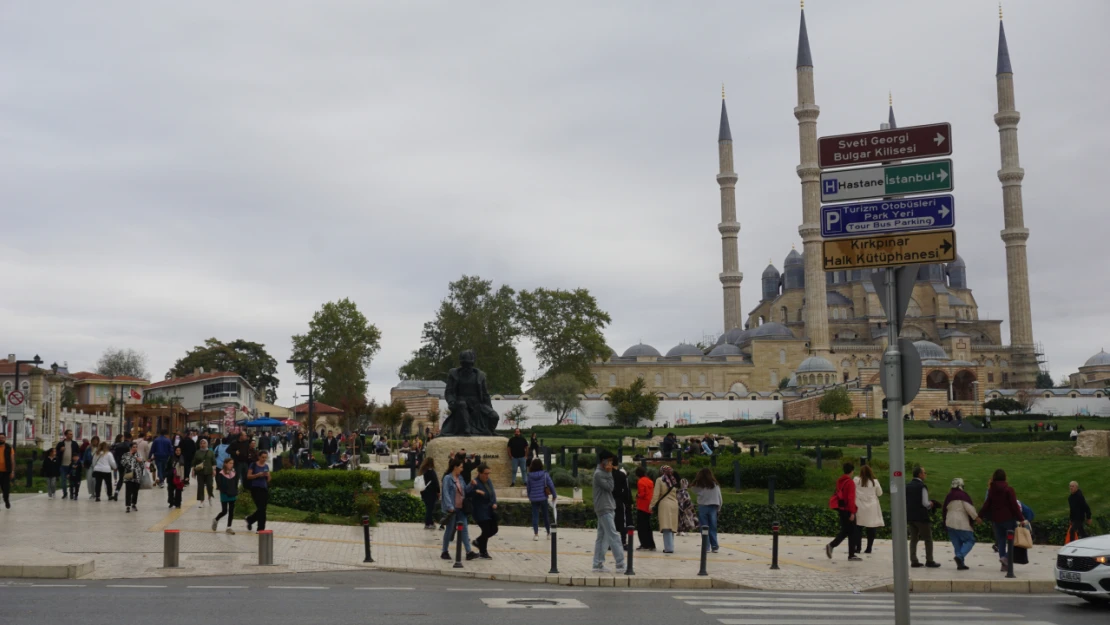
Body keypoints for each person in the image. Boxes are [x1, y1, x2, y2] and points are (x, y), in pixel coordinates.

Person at [980, 468, 1024, 571]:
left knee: (1001, 542)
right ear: (1005, 477)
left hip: (996, 520)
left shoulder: (991, 491)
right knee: (1013, 541)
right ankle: (1006, 558)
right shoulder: (1009, 490)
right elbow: (1014, 506)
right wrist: (1021, 518)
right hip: (1009, 520)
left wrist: (980, 515)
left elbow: (987, 504)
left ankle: (1003, 564)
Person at [591, 450, 625, 573]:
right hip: (604, 508)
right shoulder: (599, 474)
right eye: (609, 461)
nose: (611, 463)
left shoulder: (602, 472)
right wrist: (610, 473)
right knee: (613, 535)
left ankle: (597, 564)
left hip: (607, 506)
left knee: (602, 537)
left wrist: (609, 473)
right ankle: (620, 564)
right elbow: (610, 487)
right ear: (603, 461)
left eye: (611, 461)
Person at [440, 457, 479, 561]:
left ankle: (468, 552)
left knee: (464, 530)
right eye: (461, 467)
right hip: (452, 509)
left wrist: (471, 484)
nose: (462, 469)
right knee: (449, 530)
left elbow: (464, 491)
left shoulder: (460, 478)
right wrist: (450, 507)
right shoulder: (447, 478)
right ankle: (444, 551)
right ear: (455, 467)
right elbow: (446, 493)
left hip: (461, 508)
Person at [943, 477, 980, 570]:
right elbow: (969, 509)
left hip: (950, 523)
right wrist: (976, 518)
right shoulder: (963, 495)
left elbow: (944, 510)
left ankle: (961, 564)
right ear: (961, 485)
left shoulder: (949, 496)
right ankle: (960, 557)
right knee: (970, 540)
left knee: (957, 544)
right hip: (961, 523)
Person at [825, 463, 861, 561]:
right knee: (852, 531)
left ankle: (846, 551)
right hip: (848, 509)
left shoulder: (840, 481)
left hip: (841, 509)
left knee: (847, 530)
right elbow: (850, 498)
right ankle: (847, 553)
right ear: (852, 471)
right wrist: (852, 512)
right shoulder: (850, 482)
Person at [906, 465, 939, 568]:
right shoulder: (922, 487)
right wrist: (932, 504)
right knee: (928, 539)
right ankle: (929, 560)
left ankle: (913, 560)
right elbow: (925, 503)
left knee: (913, 539)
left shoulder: (907, 486)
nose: (925, 474)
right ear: (920, 474)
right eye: (924, 472)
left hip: (910, 516)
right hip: (921, 516)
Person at [468, 463, 498, 559]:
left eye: (488, 473)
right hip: (479, 511)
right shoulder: (475, 482)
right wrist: (475, 491)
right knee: (486, 530)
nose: (487, 476)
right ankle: (483, 552)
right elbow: (467, 493)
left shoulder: (488, 481)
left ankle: (478, 541)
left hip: (489, 510)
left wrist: (494, 503)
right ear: (480, 473)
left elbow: (492, 493)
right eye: (485, 473)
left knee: (494, 529)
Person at [852, 464, 884, 555]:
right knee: (871, 527)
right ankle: (869, 548)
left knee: (858, 527)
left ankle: (858, 547)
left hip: (860, 506)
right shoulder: (875, 482)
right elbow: (880, 493)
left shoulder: (856, 480)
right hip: (872, 507)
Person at [690, 468, 721, 553]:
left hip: (703, 507)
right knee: (713, 527)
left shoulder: (699, 486)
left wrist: (697, 479)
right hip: (713, 507)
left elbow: (692, 488)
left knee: (704, 527)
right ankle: (714, 546)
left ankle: (706, 546)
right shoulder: (715, 485)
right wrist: (719, 508)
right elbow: (719, 497)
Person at [650, 465, 680, 554]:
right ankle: (670, 546)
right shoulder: (674, 480)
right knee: (671, 527)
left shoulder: (660, 480)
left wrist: (652, 505)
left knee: (666, 526)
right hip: (674, 504)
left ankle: (668, 548)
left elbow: (656, 494)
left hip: (664, 504)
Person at [526, 458, 556, 540]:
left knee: (535, 516)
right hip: (543, 498)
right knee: (545, 516)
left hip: (534, 498)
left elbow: (528, 487)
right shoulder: (545, 474)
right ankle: (548, 533)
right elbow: (551, 485)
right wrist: (554, 495)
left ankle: (536, 534)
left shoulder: (530, 476)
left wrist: (529, 496)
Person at [245, 451, 271, 532]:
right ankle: (259, 528)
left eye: (265, 457)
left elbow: (269, 479)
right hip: (255, 488)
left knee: (262, 509)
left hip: (264, 488)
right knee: (261, 509)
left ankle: (251, 520)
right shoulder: (253, 465)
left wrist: (267, 476)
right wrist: (257, 475)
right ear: (259, 457)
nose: (264, 459)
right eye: (262, 457)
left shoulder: (266, 466)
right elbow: (248, 476)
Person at [212, 458, 238, 534]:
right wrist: (225, 490)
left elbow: (235, 483)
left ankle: (229, 527)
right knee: (224, 511)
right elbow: (219, 484)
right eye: (230, 463)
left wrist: (235, 491)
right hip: (225, 494)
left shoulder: (233, 473)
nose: (231, 465)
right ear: (225, 464)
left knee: (231, 511)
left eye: (232, 463)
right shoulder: (220, 473)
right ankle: (216, 519)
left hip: (232, 493)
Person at [634, 466, 656, 551]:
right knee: (648, 526)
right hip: (649, 506)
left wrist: (637, 495)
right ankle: (651, 544)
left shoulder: (640, 482)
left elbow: (642, 494)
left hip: (642, 506)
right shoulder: (650, 481)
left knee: (641, 527)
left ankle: (644, 544)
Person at [612, 459, 633, 549]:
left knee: (611, 523)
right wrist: (628, 502)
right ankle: (623, 542)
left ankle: (610, 543)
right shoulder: (622, 476)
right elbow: (626, 491)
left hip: (609, 501)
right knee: (622, 523)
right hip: (620, 502)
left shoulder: (606, 475)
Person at [120, 442, 145, 512]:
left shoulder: (139, 455)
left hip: (137, 475)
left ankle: (134, 504)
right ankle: (128, 505)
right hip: (129, 474)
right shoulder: (126, 455)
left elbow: (143, 465)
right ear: (130, 448)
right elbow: (123, 463)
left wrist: (141, 461)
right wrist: (131, 457)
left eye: (136, 447)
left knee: (135, 491)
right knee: (128, 491)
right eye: (133, 447)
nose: (135, 448)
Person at [192, 438, 216, 508]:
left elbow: (214, 462)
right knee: (200, 487)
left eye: (204, 443)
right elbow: (194, 462)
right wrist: (193, 470)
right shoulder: (197, 452)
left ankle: (210, 497)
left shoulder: (211, 452)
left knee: (209, 485)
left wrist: (214, 470)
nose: (202, 445)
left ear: (207, 444)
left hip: (209, 471)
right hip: (200, 472)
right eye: (201, 443)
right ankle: (201, 501)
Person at [418, 457, 440, 530]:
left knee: (428, 508)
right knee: (430, 509)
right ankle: (428, 523)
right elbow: (436, 483)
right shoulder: (431, 471)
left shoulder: (423, 471)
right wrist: (438, 492)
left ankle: (430, 522)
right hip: (431, 493)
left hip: (424, 492)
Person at [0, 433, 12, 509]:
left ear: (5, 438)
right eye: (0, 437)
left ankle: (6, 500)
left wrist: (12, 471)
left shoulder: (9, 448)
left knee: (6, 489)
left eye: (2, 437)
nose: (1, 439)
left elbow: (12, 460)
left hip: (6, 472)